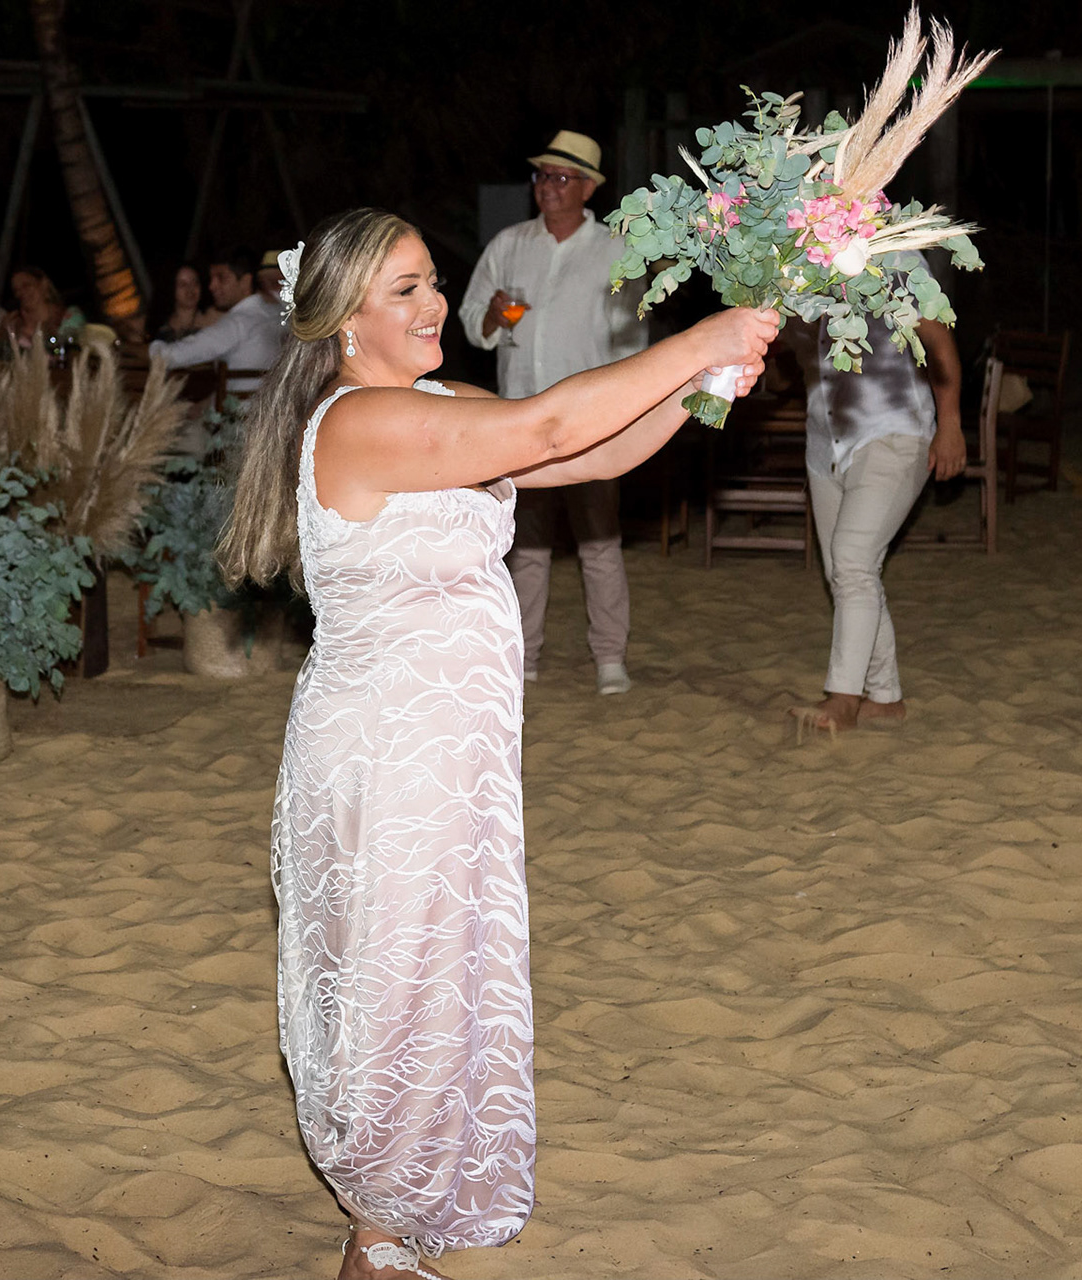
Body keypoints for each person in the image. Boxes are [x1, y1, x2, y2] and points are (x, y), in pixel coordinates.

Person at [214, 207, 776, 1280]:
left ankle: (420, 1194)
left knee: (448, 966)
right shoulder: (355, 423)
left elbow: (586, 451)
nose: (436, 305)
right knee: (398, 973)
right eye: (406, 291)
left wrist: (705, 387)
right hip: (389, 748)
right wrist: (698, 338)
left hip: (456, 749)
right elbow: (552, 430)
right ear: (341, 322)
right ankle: (374, 1230)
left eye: (434, 280)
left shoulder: (439, 403)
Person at [459, 130, 649, 695]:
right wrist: (494, 318)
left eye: (561, 178)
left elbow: (631, 337)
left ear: (588, 188)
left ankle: (610, 658)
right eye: (542, 176)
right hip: (519, 416)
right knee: (526, 545)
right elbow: (473, 320)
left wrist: (624, 413)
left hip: (589, 422)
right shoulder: (509, 243)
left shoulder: (616, 248)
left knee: (599, 539)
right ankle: (525, 657)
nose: (548, 187)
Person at [782, 293, 965, 733]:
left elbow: (937, 338)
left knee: (852, 561)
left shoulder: (890, 256)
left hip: (894, 432)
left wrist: (952, 423)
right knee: (848, 570)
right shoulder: (780, 273)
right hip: (826, 441)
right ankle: (885, 699)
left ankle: (844, 698)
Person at [149, 247, 283, 392]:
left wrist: (155, 344)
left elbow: (167, 358)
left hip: (241, 411)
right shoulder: (278, 313)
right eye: (211, 278)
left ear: (245, 282)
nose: (212, 286)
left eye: (221, 278)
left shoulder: (237, 323)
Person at [0, 265, 85, 350]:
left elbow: (68, 347)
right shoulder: (14, 324)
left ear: (44, 284)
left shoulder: (70, 316)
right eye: (16, 290)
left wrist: (47, 329)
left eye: (26, 285)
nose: (20, 293)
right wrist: (3, 333)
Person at [154, 264, 219, 341]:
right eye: (183, 285)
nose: (190, 289)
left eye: (195, 283)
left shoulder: (214, 317)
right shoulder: (160, 324)